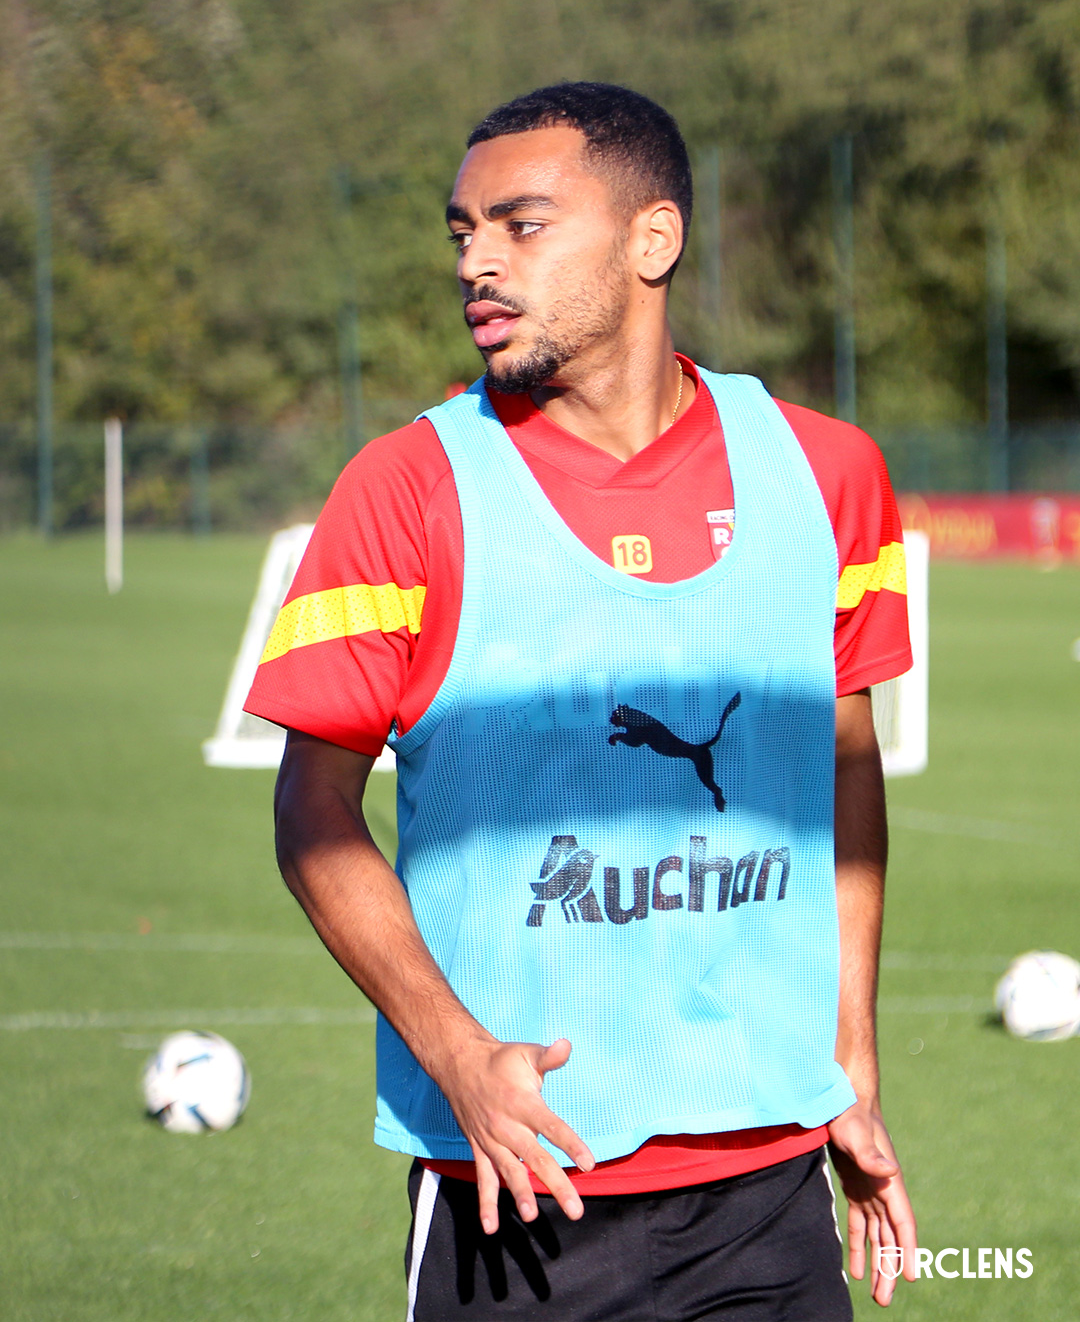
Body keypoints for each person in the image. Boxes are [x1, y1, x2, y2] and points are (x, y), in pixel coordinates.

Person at [247, 81, 918, 1320]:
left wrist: (853, 1062)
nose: (478, 265)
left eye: (522, 225)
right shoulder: (405, 490)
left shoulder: (828, 476)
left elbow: (845, 765)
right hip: (521, 1183)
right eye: (463, 232)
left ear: (651, 240)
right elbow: (313, 812)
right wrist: (456, 1056)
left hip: (770, 1184)